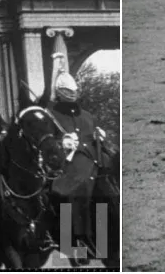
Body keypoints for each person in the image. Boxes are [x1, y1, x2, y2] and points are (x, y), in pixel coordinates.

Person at [43, 53, 106, 265]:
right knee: (67, 195)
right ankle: (72, 251)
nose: (71, 94)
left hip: (92, 166)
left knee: (106, 195)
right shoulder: (49, 115)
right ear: (59, 93)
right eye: (66, 91)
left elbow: (93, 141)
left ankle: (102, 246)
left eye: (73, 91)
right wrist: (62, 144)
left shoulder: (87, 116)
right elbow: (45, 144)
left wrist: (99, 138)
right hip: (66, 168)